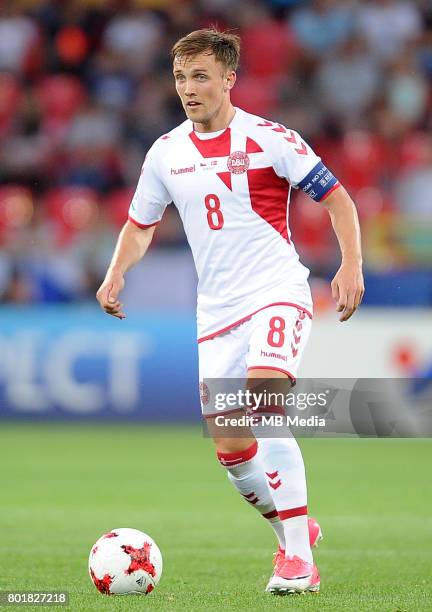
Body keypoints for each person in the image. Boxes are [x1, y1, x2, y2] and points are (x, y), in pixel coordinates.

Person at [96, 28, 364, 595]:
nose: (188, 89)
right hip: (216, 312)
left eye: (199, 77)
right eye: (179, 78)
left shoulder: (272, 139)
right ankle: (295, 527)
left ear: (228, 80)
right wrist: (118, 271)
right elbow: (140, 225)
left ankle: (296, 561)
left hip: (276, 291)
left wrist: (351, 266)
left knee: (265, 404)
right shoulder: (166, 152)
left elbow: (337, 197)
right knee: (231, 447)